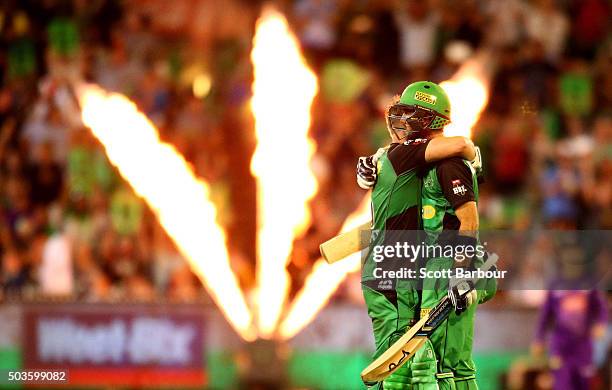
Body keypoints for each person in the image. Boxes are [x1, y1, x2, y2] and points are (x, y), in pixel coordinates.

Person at [356, 81, 493, 389]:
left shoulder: (427, 159)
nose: (401, 121)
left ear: (428, 120)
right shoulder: (407, 157)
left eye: (410, 114)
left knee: (438, 367)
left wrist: (462, 272)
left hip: (415, 270)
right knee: (411, 367)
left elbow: (467, 219)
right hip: (396, 271)